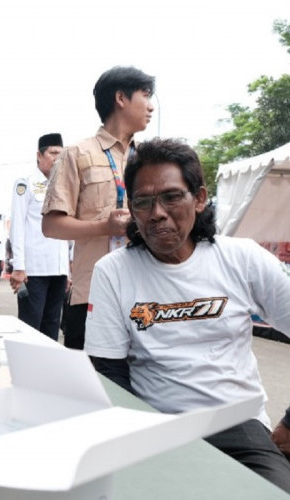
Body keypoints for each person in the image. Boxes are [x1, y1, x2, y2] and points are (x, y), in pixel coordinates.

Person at [84, 138, 290, 493]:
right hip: (155, 427)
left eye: (171, 196)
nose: (157, 212)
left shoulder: (243, 259)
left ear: (199, 197)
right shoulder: (113, 272)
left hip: (239, 425)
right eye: (143, 202)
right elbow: (108, 373)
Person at [42, 66, 155, 349]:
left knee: (141, 385)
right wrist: (105, 227)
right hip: (92, 295)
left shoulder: (150, 159)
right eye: (145, 96)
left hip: (147, 294)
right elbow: (52, 225)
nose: (151, 106)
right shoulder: (77, 154)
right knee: (90, 384)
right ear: (121, 98)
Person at [9, 133, 70, 341]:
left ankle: (47, 371)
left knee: (52, 326)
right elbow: (17, 226)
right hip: (33, 270)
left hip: (58, 270)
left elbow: (67, 229)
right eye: (53, 153)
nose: (57, 158)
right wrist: (18, 266)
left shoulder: (66, 187)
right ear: (39, 155)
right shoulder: (25, 184)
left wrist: (68, 270)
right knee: (30, 325)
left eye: (61, 154)